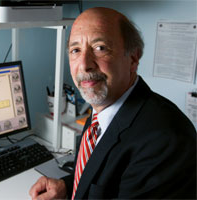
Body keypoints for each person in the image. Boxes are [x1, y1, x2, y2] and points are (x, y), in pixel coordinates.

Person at [29, 7, 197, 200]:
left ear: (133, 58)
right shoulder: (102, 110)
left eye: (100, 48)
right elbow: (105, 180)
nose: (84, 64)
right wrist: (66, 186)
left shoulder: (166, 141)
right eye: (75, 50)